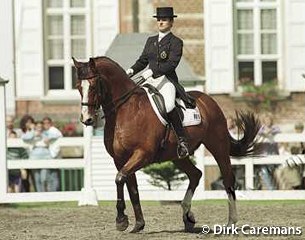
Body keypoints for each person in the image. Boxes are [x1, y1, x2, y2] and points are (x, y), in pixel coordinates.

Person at [125, 7, 194, 158]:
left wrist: (153, 72)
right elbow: (143, 61)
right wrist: (130, 71)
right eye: (159, 20)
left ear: (171, 22)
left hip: (166, 80)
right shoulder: (151, 41)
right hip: (149, 80)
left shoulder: (176, 42)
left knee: (169, 105)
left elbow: (171, 64)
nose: (161, 22)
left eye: (164, 20)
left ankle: (182, 140)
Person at [22, 121, 52, 192]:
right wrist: (33, 131)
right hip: (34, 158)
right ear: (35, 127)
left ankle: (45, 192)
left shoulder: (46, 133)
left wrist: (47, 138)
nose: (39, 128)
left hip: (45, 158)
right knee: (37, 178)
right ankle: (40, 195)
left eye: (41, 127)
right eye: (38, 127)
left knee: (43, 178)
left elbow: (55, 136)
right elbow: (24, 138)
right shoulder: (31, 134)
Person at [42, 117, 63, 191]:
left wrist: (48, 138)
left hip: (54, 155)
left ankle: (54, 192)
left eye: (48, 123)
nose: (46, 124)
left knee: (54, 176)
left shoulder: (53, 130)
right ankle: (51, 191)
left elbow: (58, 135)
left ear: (51, 123)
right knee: (49, 176)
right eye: (44, 123)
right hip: (49, 156)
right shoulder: (46, 131)